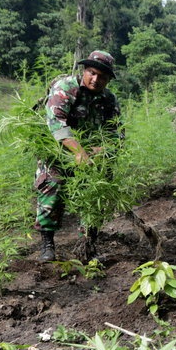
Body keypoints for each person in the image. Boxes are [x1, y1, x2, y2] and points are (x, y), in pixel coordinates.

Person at [35, 50, 122, 262]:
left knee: (96, 193)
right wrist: (79, 152)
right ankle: (47, 244)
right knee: (52, 188)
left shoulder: (109, 100)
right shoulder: (65, 87)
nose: (95, 79)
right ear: (84, 70)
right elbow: (56, 122)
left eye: (102, 76)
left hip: (92, 156)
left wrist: (98, 152)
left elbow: (117, 135)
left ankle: (87, 246)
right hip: (58, 151)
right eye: (92, 73)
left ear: (109, 79)